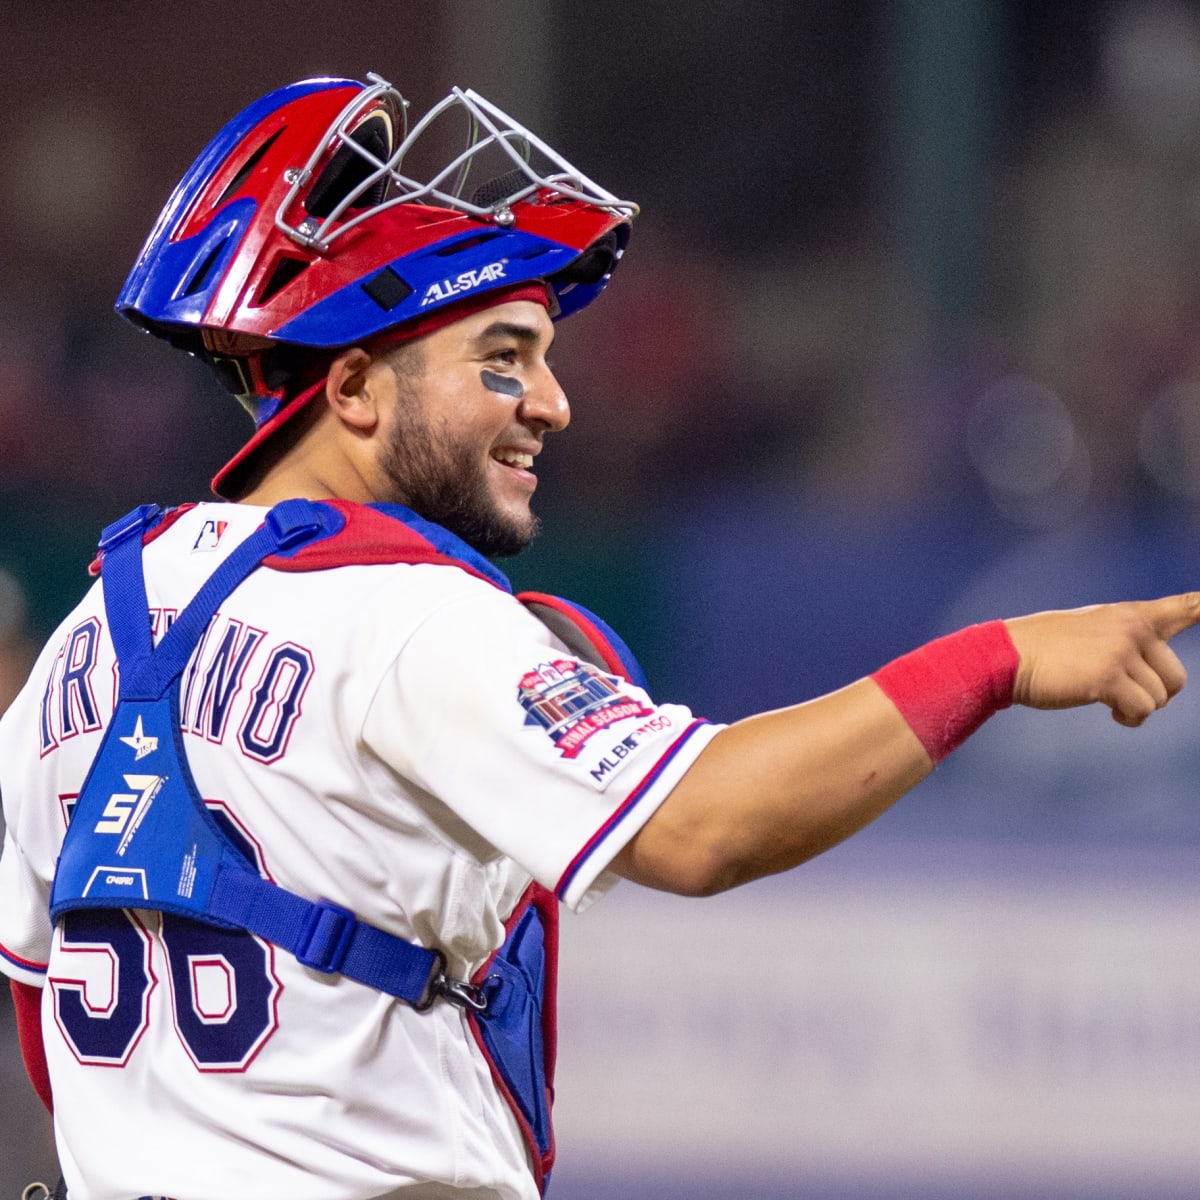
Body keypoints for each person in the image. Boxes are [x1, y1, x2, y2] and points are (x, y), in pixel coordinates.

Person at [0, 72, 1196, 1200]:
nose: (554, 403)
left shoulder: (78, 645)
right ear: (355, 388)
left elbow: (43, 1021)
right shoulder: (407, 618)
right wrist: (999, 659)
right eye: (502, 359)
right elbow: (708, 825)